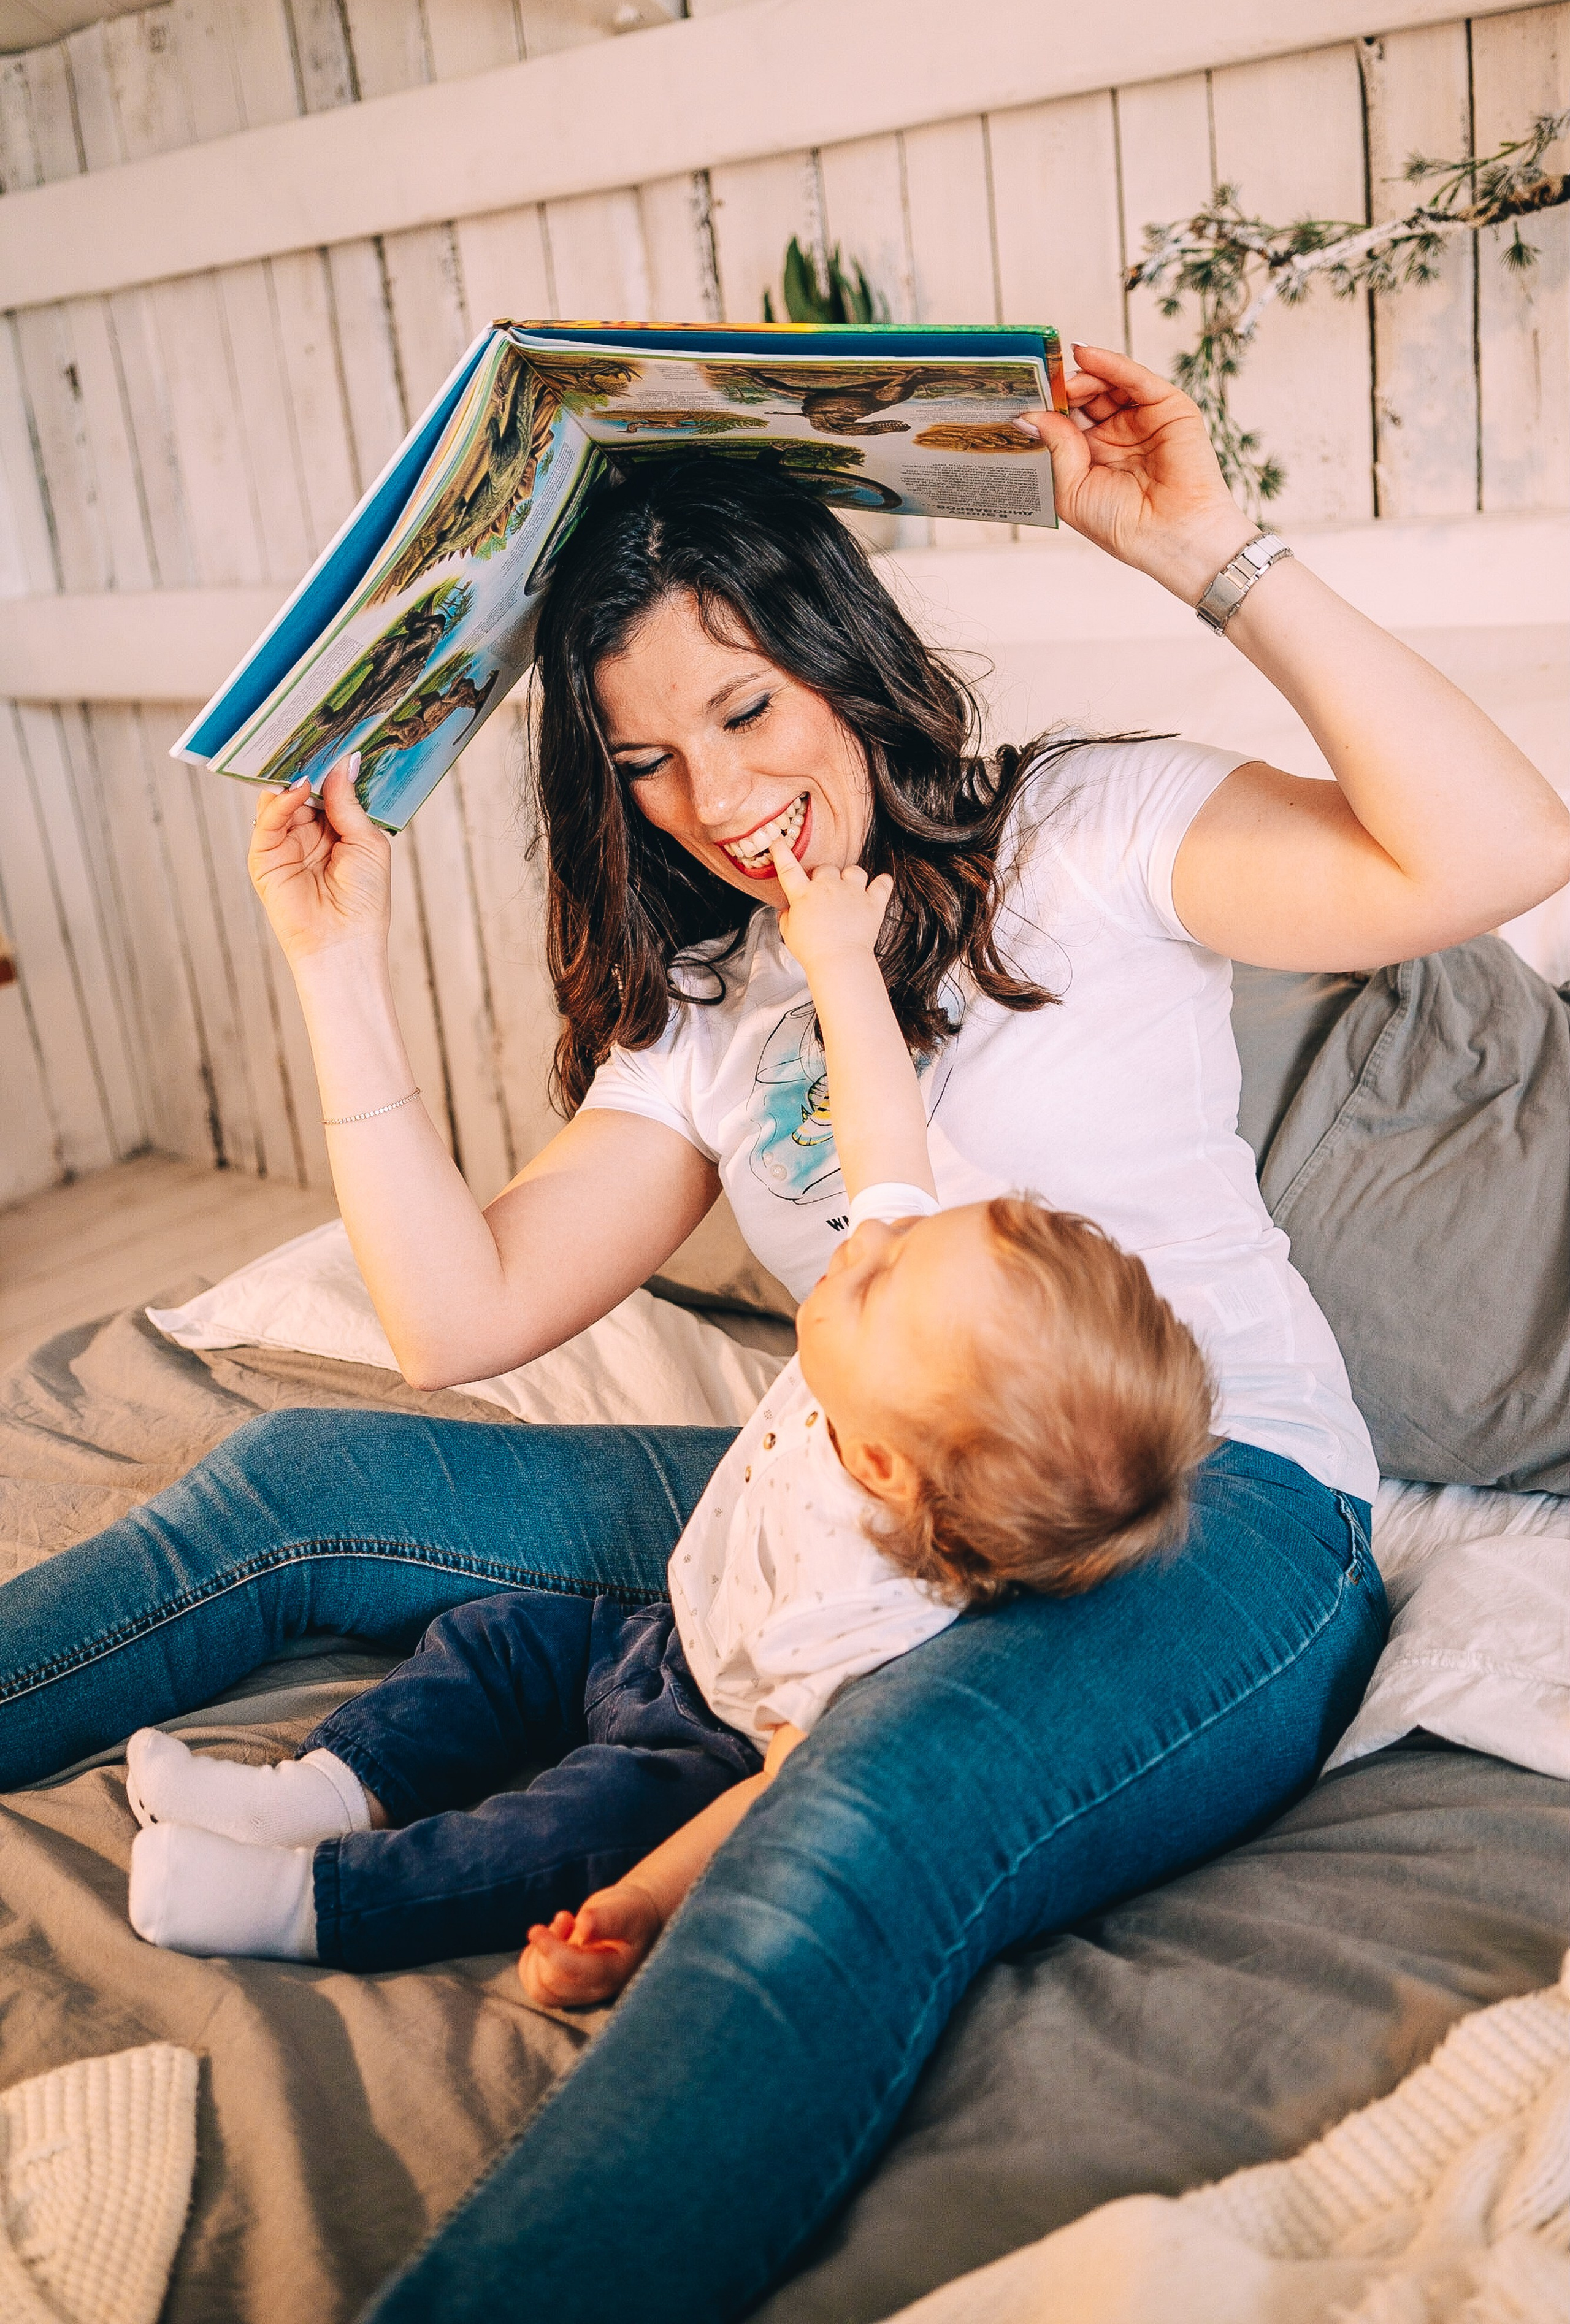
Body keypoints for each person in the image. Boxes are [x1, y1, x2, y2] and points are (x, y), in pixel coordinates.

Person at [1, 346, 1564, 2323]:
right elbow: (453, 1316)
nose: (718, 795)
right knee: (304, 1475)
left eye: (745, 709)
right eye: (647, 759)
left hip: (1197, 1499)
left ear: (843, 658)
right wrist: (336, 969)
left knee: (844, 1828)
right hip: (848, 1486)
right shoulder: (715, 991)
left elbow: (1499, 851)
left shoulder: (1082, 828)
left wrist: (1205, 547)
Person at [121, 839, 1214, 1982]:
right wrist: (837, 960)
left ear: (886, 1467)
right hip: (655, 1631)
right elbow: (880, 1117)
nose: (870, 1238)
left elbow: (779, 1791)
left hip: (700, 1742)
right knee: (490, 1646)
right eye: (913, 1235)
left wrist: (640, 1903)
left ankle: (305, 1901)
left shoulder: (872, 1625)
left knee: (558, 1835)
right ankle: (311, 1794)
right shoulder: (903, 1326)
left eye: (885, 1275)